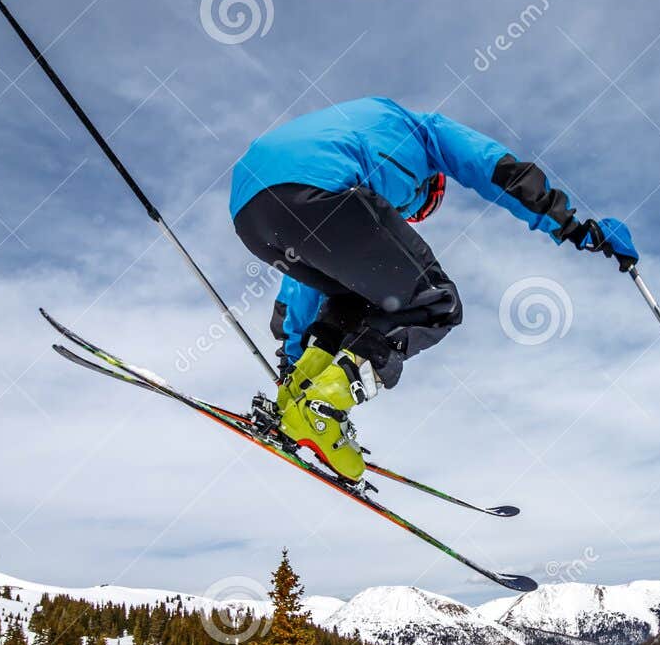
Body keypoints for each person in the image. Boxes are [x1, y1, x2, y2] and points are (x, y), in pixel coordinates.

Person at [230, 96, 638, 481]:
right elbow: (496, 168)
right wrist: (574, 227)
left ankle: (297, 398)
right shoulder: (425, 132)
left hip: (251, 212)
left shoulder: (358, 131)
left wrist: (292, 355)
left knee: (351, 296)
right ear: (432, 185)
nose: (409, 215)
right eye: (419, 208)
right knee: (436, 303)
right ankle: (324, 407)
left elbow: (302, 283)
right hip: (319, 188)